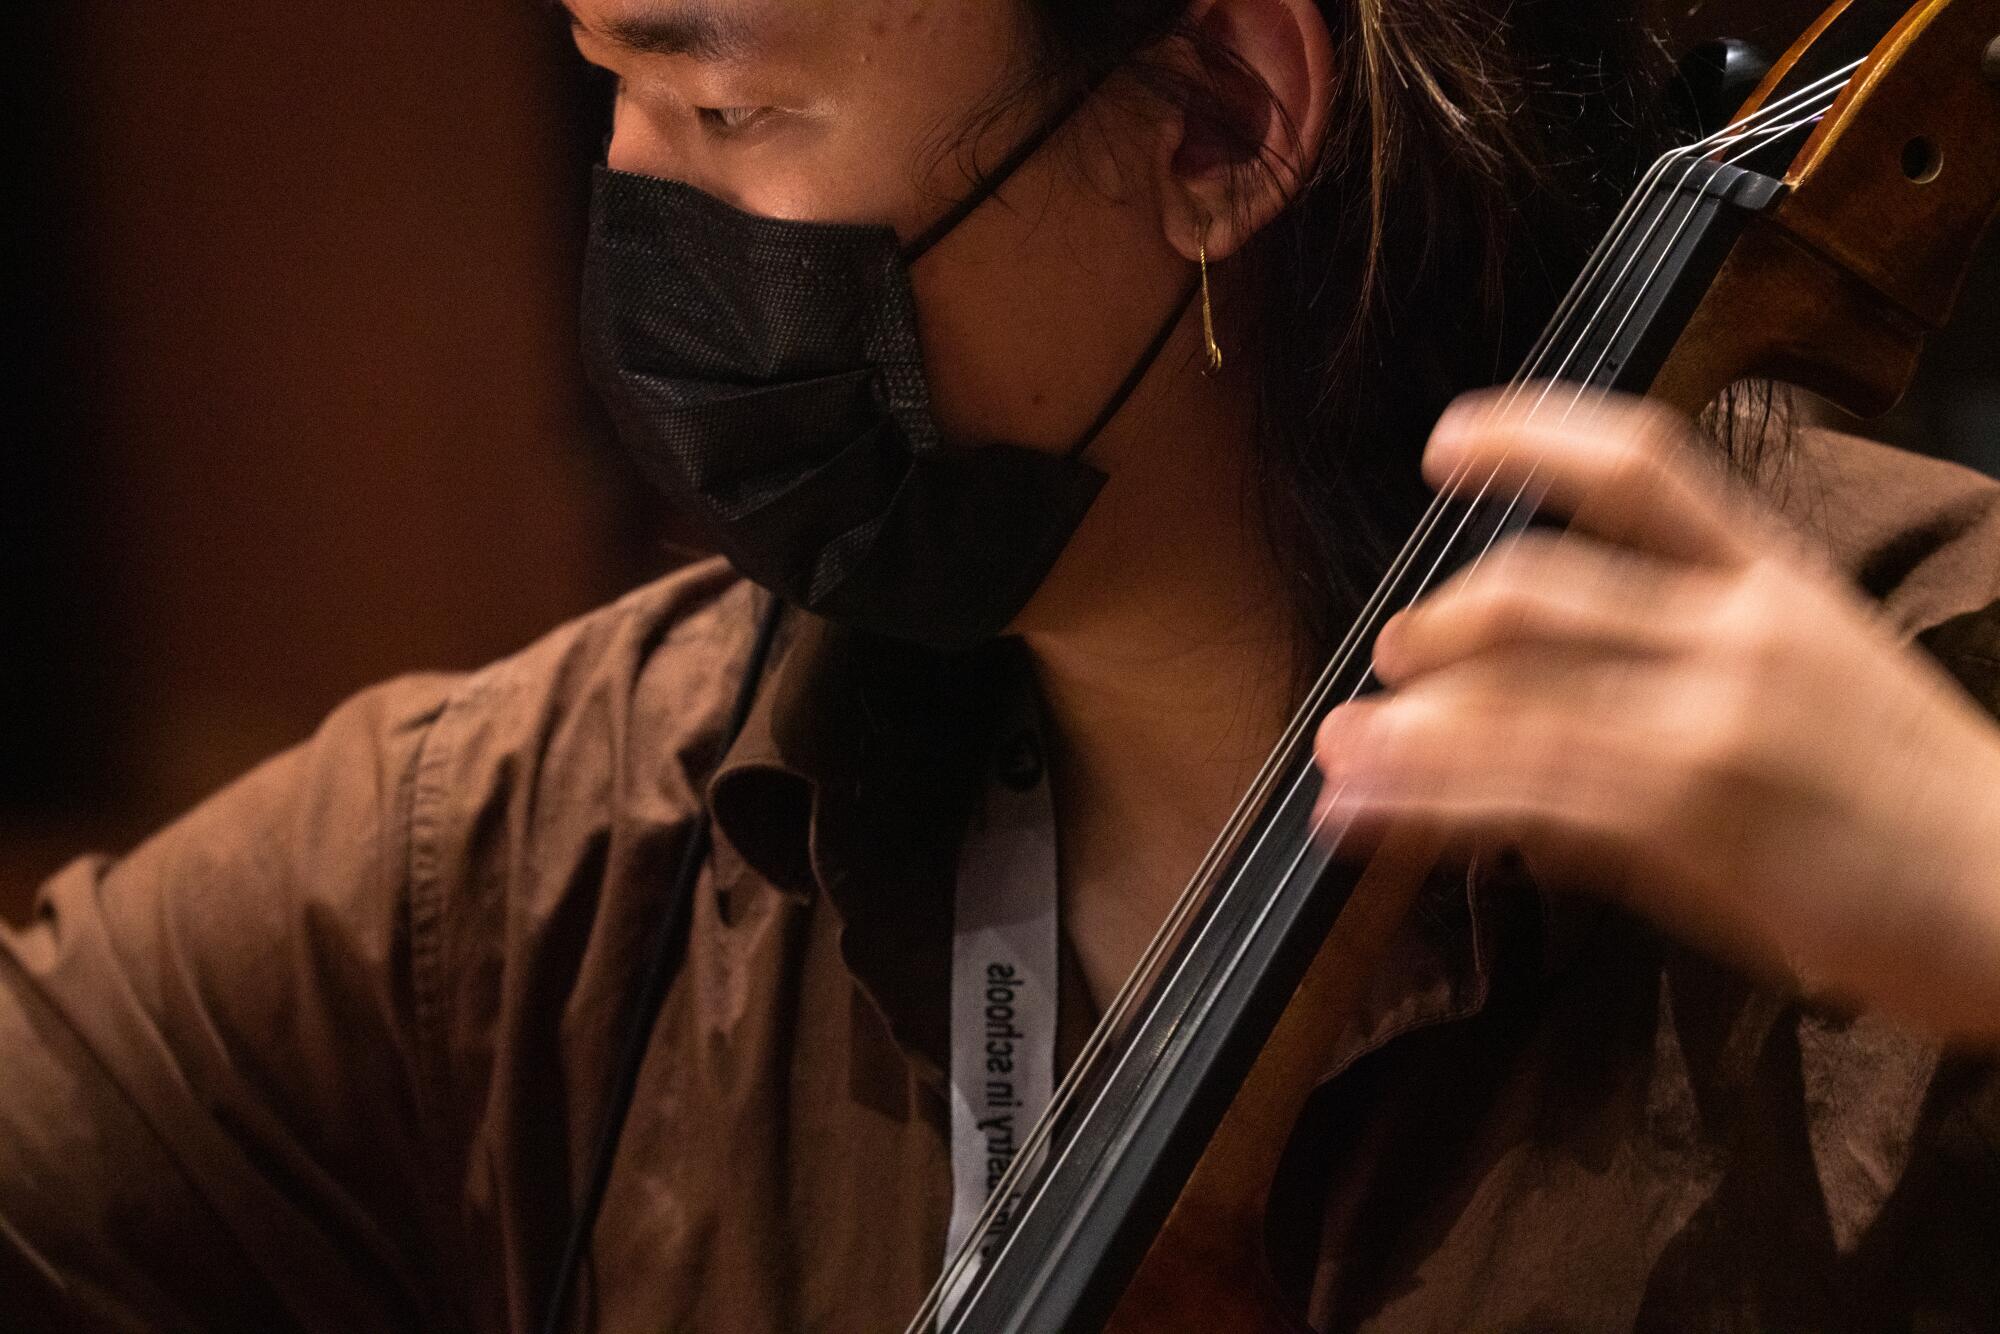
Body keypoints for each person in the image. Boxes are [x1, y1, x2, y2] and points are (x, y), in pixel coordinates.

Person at [5, 0, 1999, 1330]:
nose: (636, 203)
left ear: (1219, 112)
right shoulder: (538, 845)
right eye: (608, 79)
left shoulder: (1936, 711)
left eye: (726, 105)